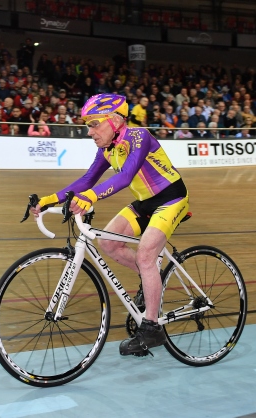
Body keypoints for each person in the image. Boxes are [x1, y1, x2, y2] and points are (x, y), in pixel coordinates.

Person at [31, 94, 189, 356]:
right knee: (108, 242)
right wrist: (49, 200)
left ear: (115, 120)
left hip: (171, 198)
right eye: (88, 126)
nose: (90, 132)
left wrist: (90, 197)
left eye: (94, 124)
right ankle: (150, 280)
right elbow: (87, 180)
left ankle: (152, 328)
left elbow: (126, 177)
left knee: (145, 255)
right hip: (145, 202)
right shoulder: (108, 148)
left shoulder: (139, 136)